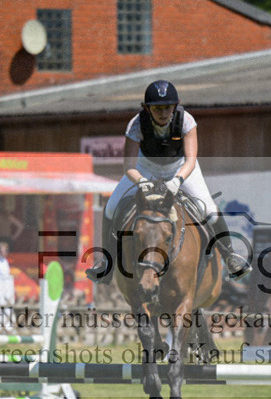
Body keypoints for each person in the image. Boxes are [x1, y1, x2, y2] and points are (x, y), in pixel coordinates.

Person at [85, 80, 251, 283]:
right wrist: (141, 181)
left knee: (209, 209)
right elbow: (128, 166)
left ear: (176, 105)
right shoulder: (136, 124)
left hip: (180, 167)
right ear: (147, 108)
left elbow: (191, 158)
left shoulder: (187, 121)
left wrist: (178, 180)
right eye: (157, 108)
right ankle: (107, 263)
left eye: (168, 107)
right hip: (145, 168)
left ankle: (230, 256)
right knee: (110, 207)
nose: (163, 113)